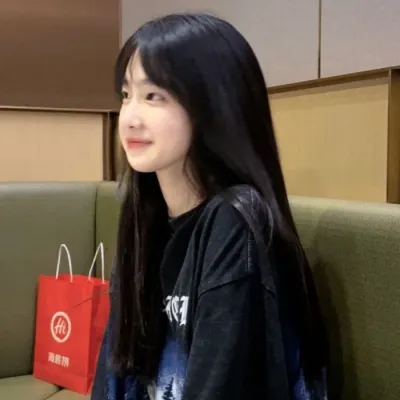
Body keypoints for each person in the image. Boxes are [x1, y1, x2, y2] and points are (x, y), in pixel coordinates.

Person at [92, 12, 329, 400]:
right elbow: (115, 371)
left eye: (154, 96)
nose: (130, 117)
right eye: (126, 95)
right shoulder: (145, 217)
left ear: (212, 104)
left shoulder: (233, 221)